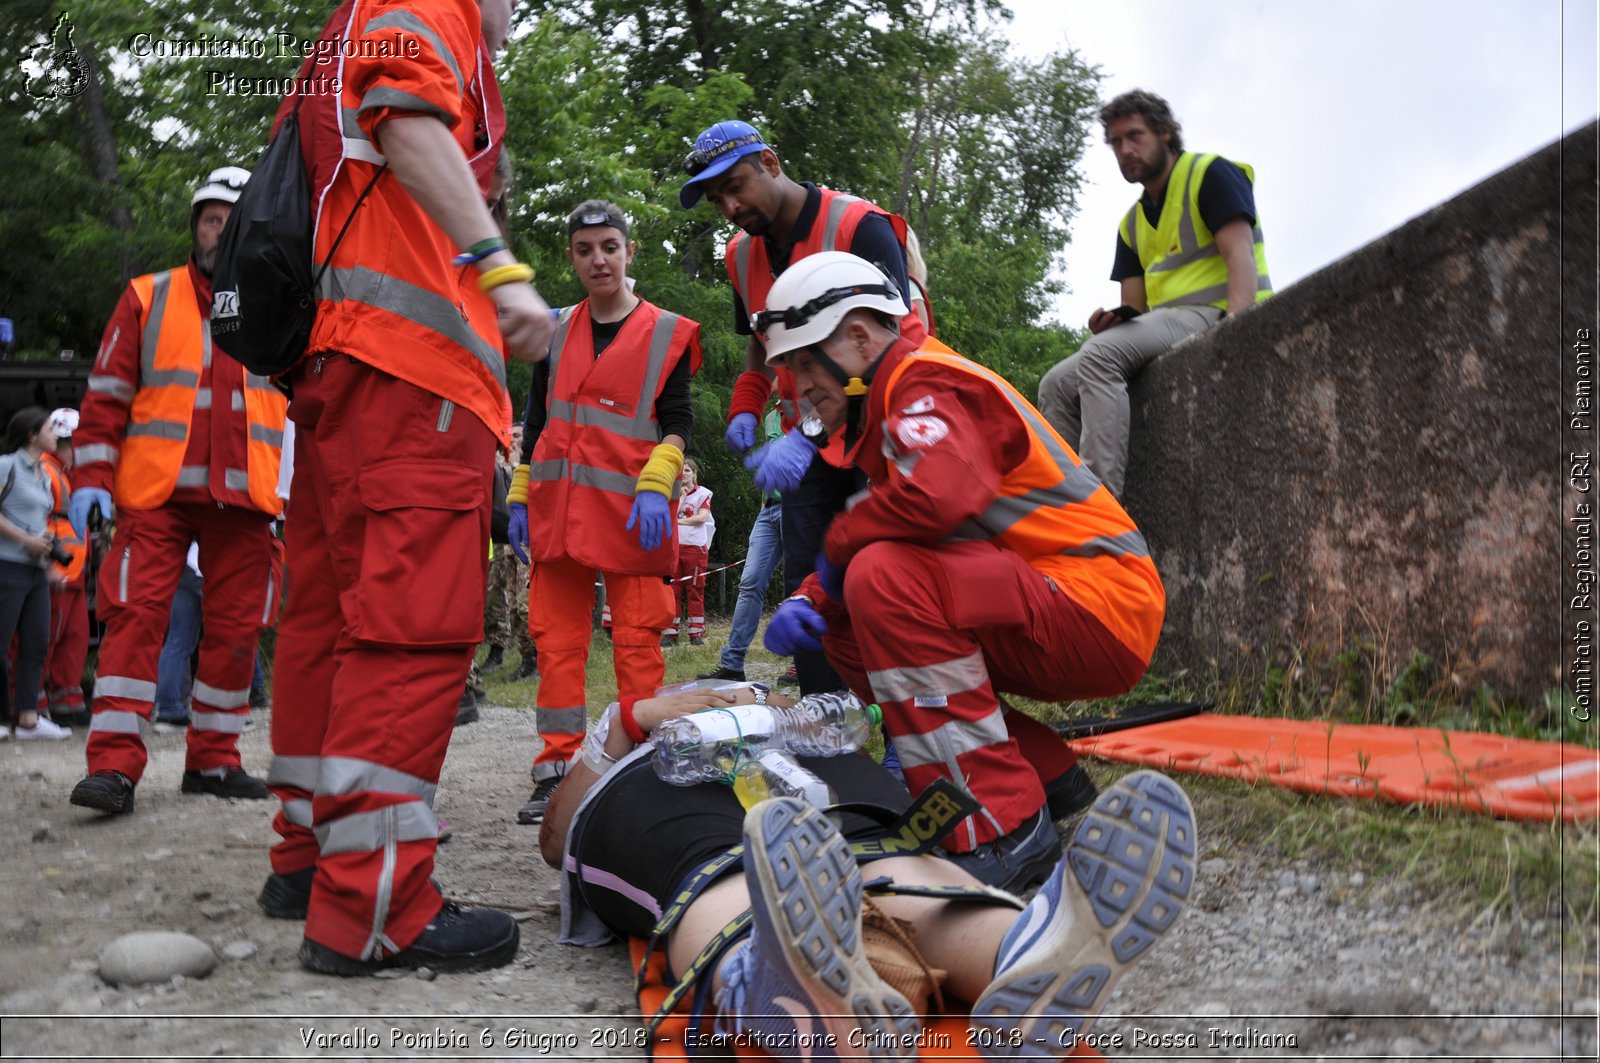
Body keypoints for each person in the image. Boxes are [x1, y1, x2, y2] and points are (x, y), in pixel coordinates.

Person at [259, 0, 555, 978]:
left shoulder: (339, 29)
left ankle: (310, 854)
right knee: (410, 632)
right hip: (417, 376)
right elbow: (404, 113)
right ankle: (374, 903)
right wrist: (502, 268)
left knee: (328, 625)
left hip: (342, 371)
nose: (515, 13)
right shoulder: (430, 4)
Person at [757, 252, 1167, 894]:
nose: (796, 386)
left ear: (861, 337)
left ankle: (1002, 826)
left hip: (1097, 606)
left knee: (879, 579)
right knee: (843, 622)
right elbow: (899, 518)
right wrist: (814, 598)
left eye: (807, 362)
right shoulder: (899, 405)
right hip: (1063, 600)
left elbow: (936, 500)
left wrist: (835, 555)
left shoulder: (927, 384)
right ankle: (1044, 771)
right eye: (788, 368)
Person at [540, 682, 1196, 1058]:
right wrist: (630, 720)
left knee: (900, 856)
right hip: (666, 793)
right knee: (726, 865)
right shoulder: (638, 736)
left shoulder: (788, 714)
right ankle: (771, 978)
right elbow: (556, 834)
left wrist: (782, 710)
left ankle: (1029, 955)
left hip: (817, 784)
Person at [66, 165, 286, 815]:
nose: (220, 229)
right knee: (135, 621)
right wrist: (90, 479)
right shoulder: (147, 296)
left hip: (247, 499)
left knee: (237, 630)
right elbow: (105, 398)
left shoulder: (282, 308)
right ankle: (113, 766)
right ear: (197, 228)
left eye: (232, 219)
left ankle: (214, 762)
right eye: (211, 218)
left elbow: (309, 410)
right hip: (154, 496)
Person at [679, 119, 927, 697]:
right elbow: (761, 342)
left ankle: (908, 728)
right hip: (809, 434)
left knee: (888, 570)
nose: (730, 206)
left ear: (769, 162)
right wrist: (748, 401)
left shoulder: (858, 227)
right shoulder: (740, 255)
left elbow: (894, 355)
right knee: (805, 584)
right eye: (717, 199)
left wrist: (807, 434)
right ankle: (827, 721)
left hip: (883, 427)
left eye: (735, 186)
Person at [504, 198, 701, 826]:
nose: (598, 259)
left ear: (628, 253)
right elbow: (538, 422)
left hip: (632, 517)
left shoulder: (667, 332)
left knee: (637, 642)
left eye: (609, 247)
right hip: (559, 514)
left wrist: (656, 483)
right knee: (557, 644)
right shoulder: (554, 329)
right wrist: (517, 496)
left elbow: (678, 424)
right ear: (573, 258)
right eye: (586, 249)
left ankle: (639, 766)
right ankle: (555, 771)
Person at [1037, 90, 1272, 496]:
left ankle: (1100, 508)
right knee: (1055, 383)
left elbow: (1241, 255)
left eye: (1135, 136)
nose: (1125, 150)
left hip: (1215, 312)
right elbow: (1136, 309)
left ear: (1165, 132)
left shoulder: (1209, 173)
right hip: (1166, 325)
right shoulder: (1130, 224)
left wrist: (1237, 330)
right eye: (1115, 143)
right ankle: (1065, 506)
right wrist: (1110, 323)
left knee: (1098, 355)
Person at [0, 407, 73, 740]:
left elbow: (38, 521)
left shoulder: (42, 474)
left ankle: (28, 719)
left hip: (34, 572)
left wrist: (47, 561)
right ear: (32, 435)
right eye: (49, 428)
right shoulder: (6, 465)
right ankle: (3, 720)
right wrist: (27, 540)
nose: (56, 434)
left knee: (36, 643)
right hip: (7, 566)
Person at [699, 414, 783, 682]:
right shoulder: (771, 416)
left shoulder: (811, 405)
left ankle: (805, 664)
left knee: (800, 584)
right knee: (750, 582)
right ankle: (733, 664)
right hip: (769, 510)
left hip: (800, 505)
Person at [38, 408, 90, 728]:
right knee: (45, 640)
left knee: (74, 639)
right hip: (55, 574)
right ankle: (32, 705)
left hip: (74, 574)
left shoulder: (66, 473)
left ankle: (68, 703)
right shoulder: (45, 472)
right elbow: (35, 523)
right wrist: (46, 567)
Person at [662, 457, 713, 648]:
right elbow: (667, 516)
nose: (683, 474)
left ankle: (695, 632)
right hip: (674, 548)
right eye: (680, 471)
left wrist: (679, 522)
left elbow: (702, 517)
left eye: (688, 471)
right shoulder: (671, 494)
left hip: (695, 549)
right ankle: (670, 634)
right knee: (672, 591)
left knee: (695, 591)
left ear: (695, 474)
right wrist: (681, 498)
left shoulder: (704, 493)